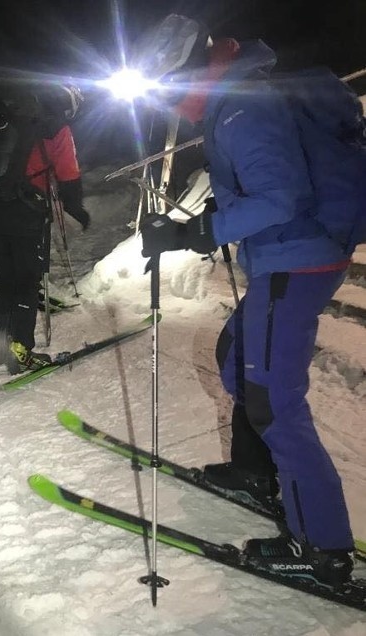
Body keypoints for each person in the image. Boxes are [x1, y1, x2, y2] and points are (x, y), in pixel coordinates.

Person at [138, 14, 358, 586]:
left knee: (272, 400)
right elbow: (269, 187)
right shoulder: (238, 98)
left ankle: (324, 550)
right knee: (237, 355)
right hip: (293, 256)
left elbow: (280, 197)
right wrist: (201, 223)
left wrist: (192, 235)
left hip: (296, 259)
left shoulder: (241, 107)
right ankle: (252, 472)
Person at [0, 85, 90, 373]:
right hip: (26, 210)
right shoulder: (54, 127)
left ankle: (0, 339)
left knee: (6, 276)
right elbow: (68, 174)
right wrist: (77, 209)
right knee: (26, 281)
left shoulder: (3, 116)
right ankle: (20, 349)